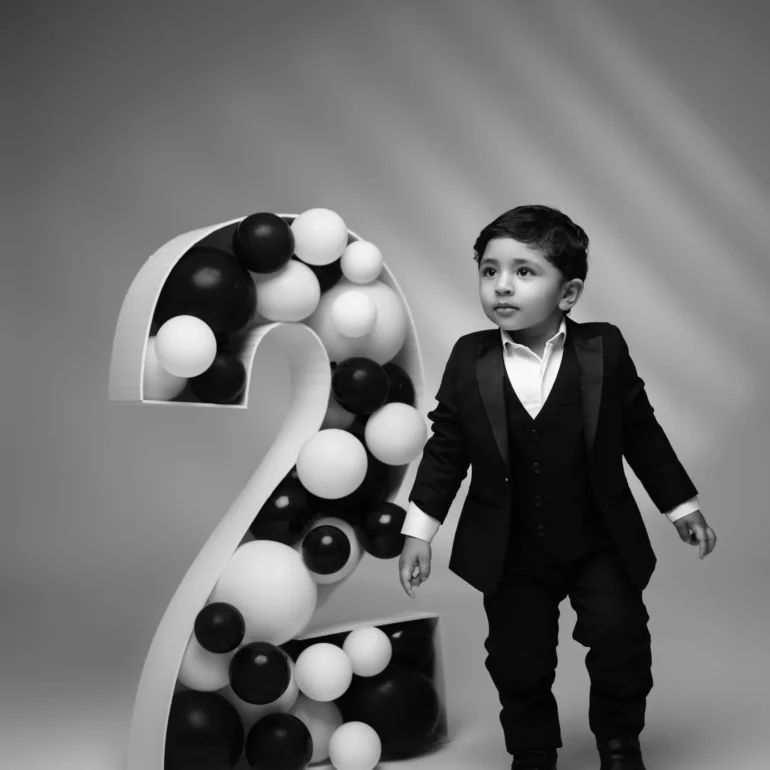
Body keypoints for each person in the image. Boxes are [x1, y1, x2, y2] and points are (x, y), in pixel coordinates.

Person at [398, 205, 717, 770]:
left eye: (524, 272)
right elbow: (446, 450)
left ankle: (619, 745)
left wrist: (679, 505)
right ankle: (532, 751)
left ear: (567, 293)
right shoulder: (468, 357)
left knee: (621, 643)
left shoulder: (604, 348)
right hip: (511, 547)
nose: (501, 285)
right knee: (517, 659)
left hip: (598, 540)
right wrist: (419, 532)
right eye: (489, 270)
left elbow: (640, 431)